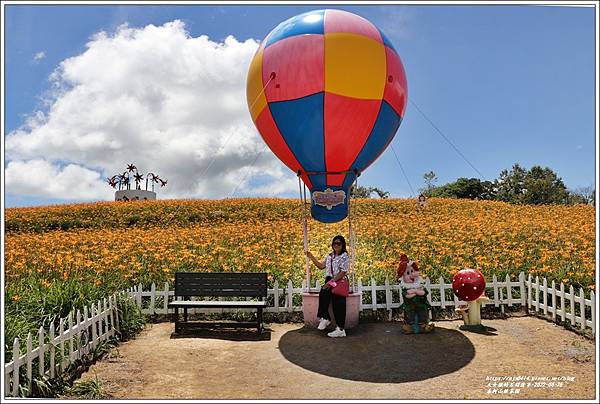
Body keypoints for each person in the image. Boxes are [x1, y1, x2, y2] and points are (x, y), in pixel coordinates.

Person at [306, 235, 349, 338]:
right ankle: (325, 318)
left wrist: (331, 282)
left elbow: (343, 272)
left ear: (343, 245)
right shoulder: (330, 256)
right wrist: (311, 256)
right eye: (334, 243)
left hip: (338, 280)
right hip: (330, 280)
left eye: (339, 243)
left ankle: (340, 329)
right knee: (323, 296)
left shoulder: (344, 256)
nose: (336, 245)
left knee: (338, 304)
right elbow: (321, 266)